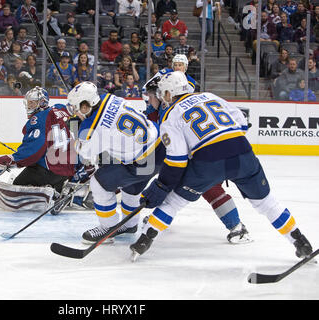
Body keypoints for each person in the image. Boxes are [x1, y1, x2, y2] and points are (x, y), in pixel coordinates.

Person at [130, 71, 313, 261]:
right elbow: (242, 123)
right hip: (242, 153)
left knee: (173, 202)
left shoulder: (170, 116)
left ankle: (144, 240)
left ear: (168, 93)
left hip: (208, 162)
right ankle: (300, 241)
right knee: (267, 203)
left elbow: (177, 160)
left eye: (161, 93)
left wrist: (162, 185)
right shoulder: (209, 96)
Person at [141, 55, 251, 244]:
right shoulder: (161, 110)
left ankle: (237, 226)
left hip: (202, 156)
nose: (148, 101)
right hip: (190, 155)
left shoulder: (175, 106)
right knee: (169, 182)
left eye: (151, 97)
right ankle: (158, 220)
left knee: (210, 189)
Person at [66, 81, 164, 244]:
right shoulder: (110, 98)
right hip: (159, 145)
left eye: (77, 108)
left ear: (86, 105)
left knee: (98, 183)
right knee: (131, 187)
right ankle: (130, 224)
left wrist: (75, 131)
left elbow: (85, 154)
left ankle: (108, 227)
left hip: (141, 160)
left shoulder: (92, 128)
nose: (76, 112)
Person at [0, 87, 83, 212]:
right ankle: (57, 189)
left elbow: (33, 150)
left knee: (18, 184)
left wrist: (11, 160)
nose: (29, 106)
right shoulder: (59, 108)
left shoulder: (37, 119)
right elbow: (71, 109)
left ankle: (51, 194)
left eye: (33, 102)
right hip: (67, 169)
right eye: (28, 103)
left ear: (42, 102)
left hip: (49, 170)